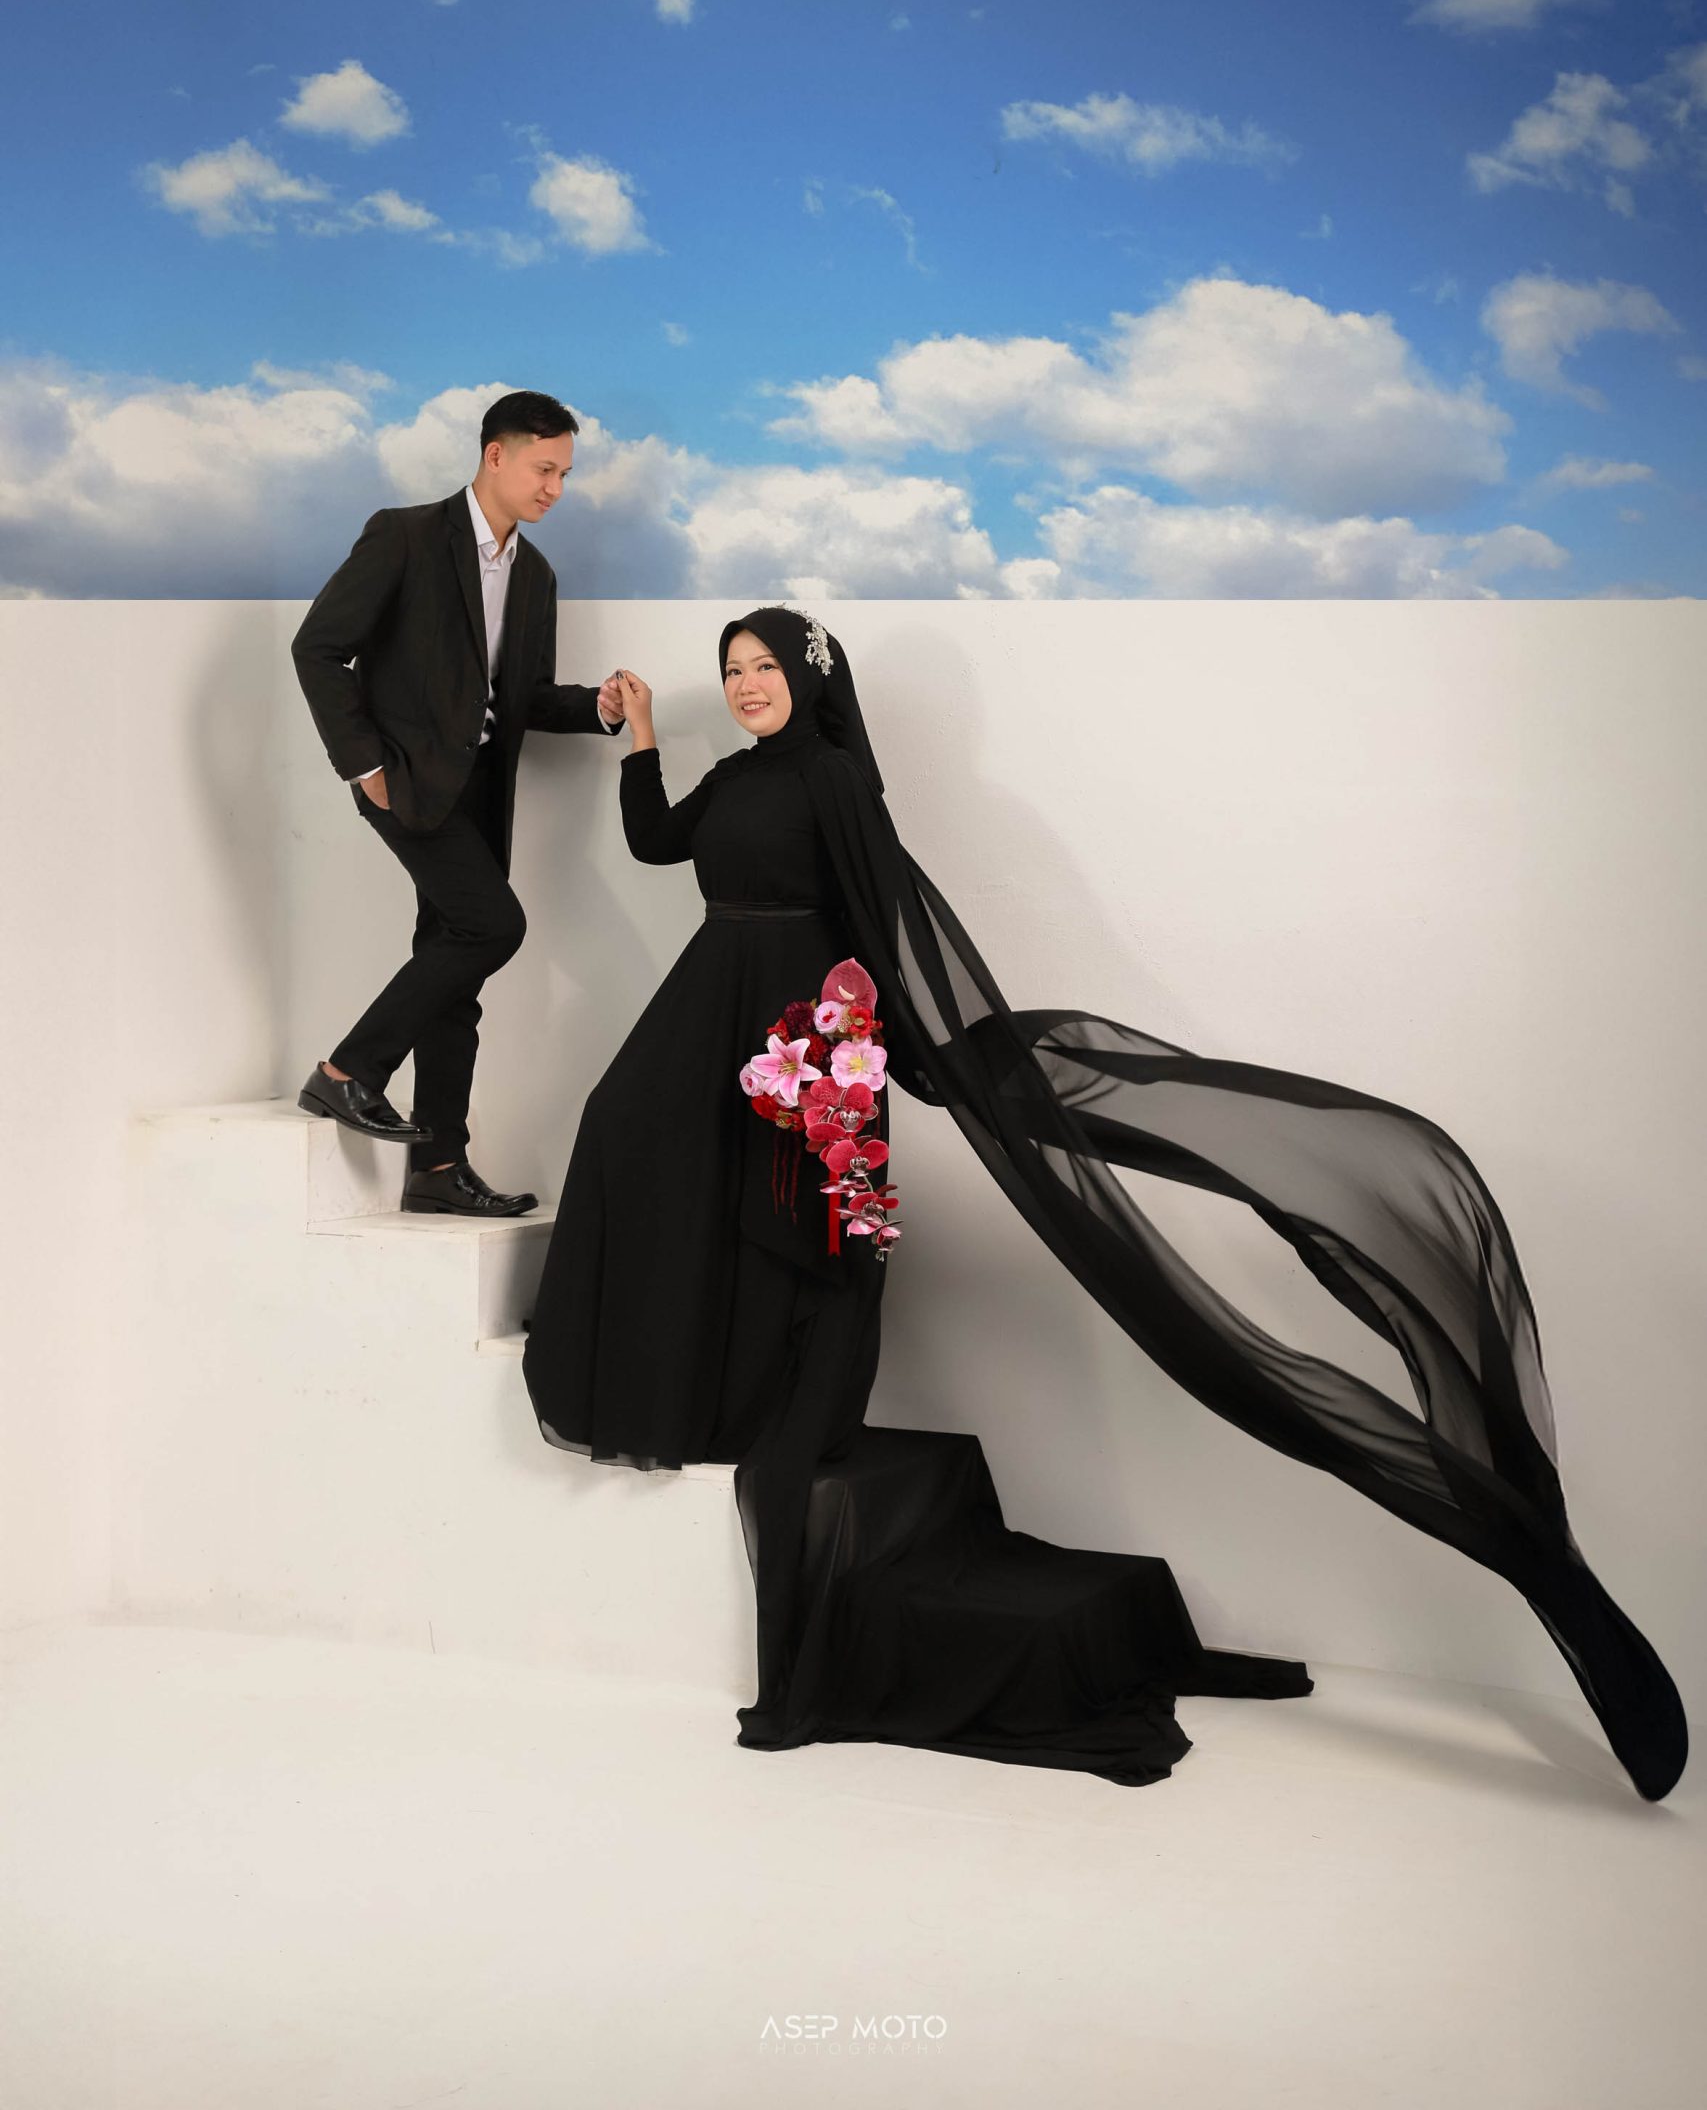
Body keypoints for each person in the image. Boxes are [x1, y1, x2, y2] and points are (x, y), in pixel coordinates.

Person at [524, 606, 1689, 1802]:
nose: (746, 683)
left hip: (808, 1034)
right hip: (713, 1004)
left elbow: (888, 926)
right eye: (731, 669)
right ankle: (697, 1377)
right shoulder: (735, 777)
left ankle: (1545, 1575)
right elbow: (658, 843)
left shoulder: (830, 778)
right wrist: (643, 734)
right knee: (624, 1128)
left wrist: (882, 1056)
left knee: (811, 1234)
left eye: (765, 665)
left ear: (812, 679)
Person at [289, 391, 626, 1216]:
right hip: (404, 780)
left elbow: (523, 697)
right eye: (543, 469)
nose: (555, 489)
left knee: (458, 972)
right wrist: (364, 764)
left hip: (479, 790)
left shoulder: (535, 575)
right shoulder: (403, 536)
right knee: (492, 926)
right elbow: (318, 647)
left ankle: (438, 1166)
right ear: (495, 455)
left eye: (564, 474)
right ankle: (347, 1071)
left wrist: (597, 707)